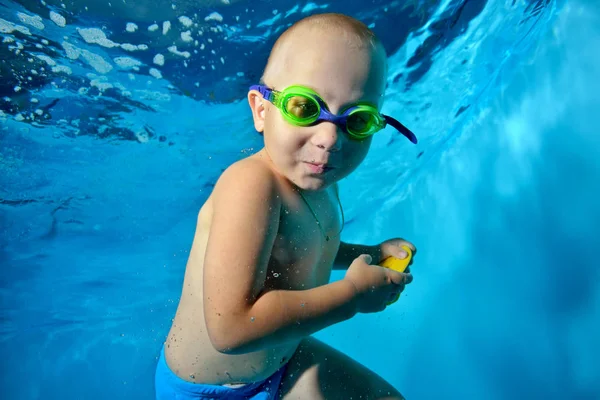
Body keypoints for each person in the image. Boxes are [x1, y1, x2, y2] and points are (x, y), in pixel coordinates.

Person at [155, 12, 418, 400]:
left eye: (358, 120)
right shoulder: (251, 185)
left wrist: (372, 253)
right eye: (305, 108)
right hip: (202, 392)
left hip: (279, 366)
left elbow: (308, 252)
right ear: (262, 110)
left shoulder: (323, 183)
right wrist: (352, 297)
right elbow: (230, 330)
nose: (330, 137)